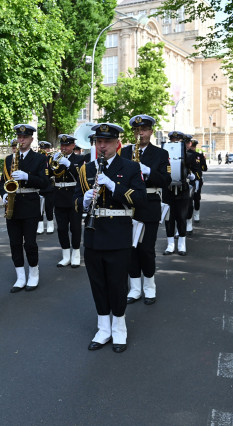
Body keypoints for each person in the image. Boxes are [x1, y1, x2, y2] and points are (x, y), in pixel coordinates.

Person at [73, 123, 147, 353]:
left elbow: (141, 199)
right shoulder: (86, 169)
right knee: (98, 283)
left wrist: (113, 185)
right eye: (98, 142)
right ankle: (103, 328)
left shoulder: (131, 167)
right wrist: (84, 200)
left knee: (116, 283)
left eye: (106, 142)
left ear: (117, 143)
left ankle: (119, 328)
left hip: (118, 234)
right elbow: (75, 203)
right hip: (94, 234)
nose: (102, 146)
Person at [120, 115, 171, 305]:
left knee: (147, 249)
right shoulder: (125, 152)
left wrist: (148, 171)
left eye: (144, 130)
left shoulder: (160, 154)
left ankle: (149, 287)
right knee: (131, 248)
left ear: (150, 132)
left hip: (149, 203)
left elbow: (165, 181)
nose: (140, 133)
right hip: (128, 203)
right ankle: (134, 288)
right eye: (137, 130)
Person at [0, 124, 48, 292]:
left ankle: (33, 273)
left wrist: (28, 177)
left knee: (31, 243)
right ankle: (20, 276)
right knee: (14, 243)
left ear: (31, 139)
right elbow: (1, 183)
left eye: (25, 137)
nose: (21, 140)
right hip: (12, 203)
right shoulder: (9, 159)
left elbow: (45, 182)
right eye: (19, 137)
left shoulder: (40, 159)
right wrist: (4, 195)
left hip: (30, 204)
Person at [51, 134, 85, 268]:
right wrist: (52, 164)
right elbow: (49, 175)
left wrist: (69, 165)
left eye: (67, 145)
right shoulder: (55, 159)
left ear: (72, 146)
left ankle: (76, 253)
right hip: (59, 197)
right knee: (61, 228)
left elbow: (81, 176)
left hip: (73, 196)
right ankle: (65, 255)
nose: (64, 148)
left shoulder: (80, 159)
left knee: (75, 227)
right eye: (62, 145)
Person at [162, 131, 195, 255]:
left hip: (182, 190)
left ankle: (182, 244)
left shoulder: (189, 155)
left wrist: (191, 176)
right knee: (169, 218)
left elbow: (193, 169)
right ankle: (170, 244)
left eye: (177, 141)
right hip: (168, 190)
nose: (174, 142)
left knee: (181, 217)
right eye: (172, 140)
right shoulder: (164, 155)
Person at [37, 141, 55, 235]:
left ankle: (50, 224)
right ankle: (40, 225)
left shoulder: (51, 159)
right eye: (42, 148)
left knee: (49, 207)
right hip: (39, 187)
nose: (43, 150)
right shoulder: (37, 159)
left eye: (45, 148)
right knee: (39, 208)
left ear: (48, 149)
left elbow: (53, 172)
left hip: (48, 187)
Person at [188, 140, 206, 225]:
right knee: (192, 198)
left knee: (195, 197)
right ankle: (192, 216)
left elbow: (204, 168)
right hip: (190, 178)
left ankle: (196, 214)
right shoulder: (189, 155)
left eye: (193, 146)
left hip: (196, 178)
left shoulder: (198, 156)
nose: (192, 148)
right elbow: (203, 168)